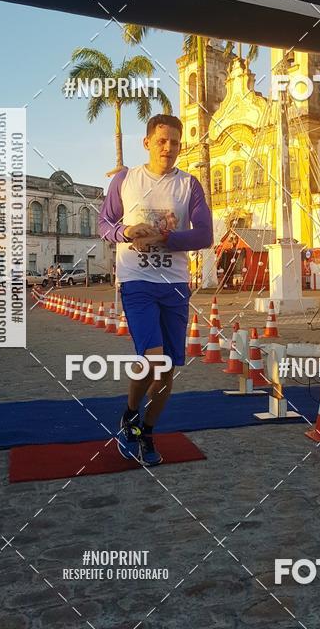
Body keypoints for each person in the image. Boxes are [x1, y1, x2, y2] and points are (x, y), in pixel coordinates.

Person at [99, 114, 213, 466]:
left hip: (175, 285)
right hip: (137, 282)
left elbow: (205, 235)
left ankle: (146, 431)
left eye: (175, 142)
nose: (169, 148)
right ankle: (130, 414)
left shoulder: (190, 185)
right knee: (154, 357)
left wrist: (165, 236)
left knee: (166, 374)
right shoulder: (126, 180)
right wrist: (126, 232)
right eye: (162, 140)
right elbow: (105, 225)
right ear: (147, 143)